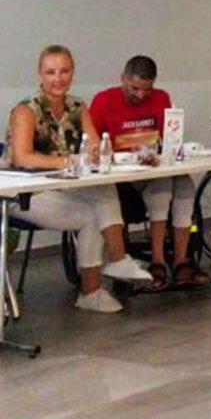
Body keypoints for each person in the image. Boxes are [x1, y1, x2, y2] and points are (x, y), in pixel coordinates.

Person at [2, 45, 153, 312]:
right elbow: (23, 157)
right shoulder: (25, 110)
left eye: (64, 71)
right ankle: (95, 285)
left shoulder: (77, 107)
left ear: (72, 72)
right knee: (92, 214)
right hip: (24, 194)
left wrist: (95, 155)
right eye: (51, 72)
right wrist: (69, 160)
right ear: (40, 74)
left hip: (63, 186)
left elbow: (93, 147)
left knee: (103, 189)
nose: (58, 78)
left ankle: (114, 264)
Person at [89, 55, 208, 289]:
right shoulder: (104, 101)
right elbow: (93, 147)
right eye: (134, 88)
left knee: (185, 186)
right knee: (162, 188)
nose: (141, 95)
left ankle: (181, 260)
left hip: (155, 166)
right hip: (124, 176)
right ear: (123, 78)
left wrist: (162, 153)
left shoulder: (162, 98)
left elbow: (169, 139)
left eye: (147, 89)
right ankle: (158, 260)